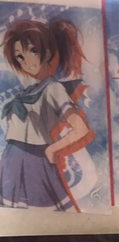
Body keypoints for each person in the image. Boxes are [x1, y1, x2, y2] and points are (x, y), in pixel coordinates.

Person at [0, 18, 95, 211]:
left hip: (34, 160)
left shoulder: (53, 88)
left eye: (33, 51)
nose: (27, 61)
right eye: (20, 57)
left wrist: (53, 149)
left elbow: (80, 128)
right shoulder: (27, 91)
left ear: (48, 53)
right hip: (10, 160)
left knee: (41, 216)